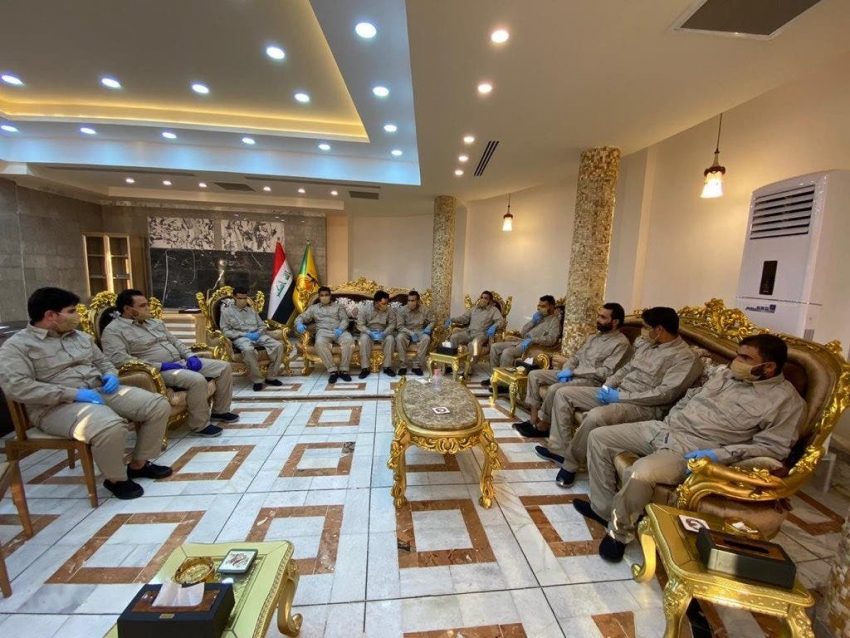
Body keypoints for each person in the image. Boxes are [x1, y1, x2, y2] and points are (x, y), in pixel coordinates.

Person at [574, 334, 806, 563]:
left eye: (745, 358)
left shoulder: (786, 402)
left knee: (641, 472)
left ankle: (618, 533)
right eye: (737, 355)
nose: (736, 361)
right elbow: (691, 397)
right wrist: (673, 417)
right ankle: (603, 510)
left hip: (694, 449)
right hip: (665, 428)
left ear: (769, 367)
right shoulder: (726, 375)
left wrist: (717, 455)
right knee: (599, 437)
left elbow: (773, 448)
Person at [0, 287, 173, 500]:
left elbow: (104, 362)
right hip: (55, 406)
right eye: (71, 311)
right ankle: (116, 479)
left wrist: (110, 375)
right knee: (110, 426)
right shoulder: (17, 346)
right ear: (50, 315)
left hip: (99, 390)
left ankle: (139, 465)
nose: (78, 315)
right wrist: (73, 393)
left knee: (157, 405)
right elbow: (17, 387)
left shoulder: (81, 337)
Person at [536, 306, 703, 488]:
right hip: (617, 392)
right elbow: (626, 369)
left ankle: (570, 464)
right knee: (563, 393)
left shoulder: (685, 358)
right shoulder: (648, 345)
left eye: (646, 327)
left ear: (659, 330)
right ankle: (559, 451)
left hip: (643, 406)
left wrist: (620, 397)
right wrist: (608, 386)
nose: (642, 332)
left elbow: (664, 394)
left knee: (595, 416)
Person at [101, 289, 239, 438]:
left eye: (147, 304)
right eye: (142, 306)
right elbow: (120, 360)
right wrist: (162, 366)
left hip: (180, 362)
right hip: (156, 370)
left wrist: (190, 356)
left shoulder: (154, 322)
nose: (148, 308)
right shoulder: (114, 330)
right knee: (196, 380)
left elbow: (175, 342)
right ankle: (200, 425)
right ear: (127, 309)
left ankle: (220, 411)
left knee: (224, 367)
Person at [514, 303, 631, 437]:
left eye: (603, 317)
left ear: (615, 322)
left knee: (554, 389)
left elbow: (606, 372)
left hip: (592, 380)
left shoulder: (621, 343)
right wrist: (568, 368)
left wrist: (574, 372)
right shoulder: (594, 337)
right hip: (573, 372)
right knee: (534, 374)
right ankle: (533, 420)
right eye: (598, 316)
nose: (598, 319)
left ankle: (543, 426)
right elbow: (576, 357)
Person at [483, 295, 562, 387]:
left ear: (551, 307)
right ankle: (494, 377)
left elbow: (551, 339)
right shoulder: (539, 318)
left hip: (533, 346)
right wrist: (533, 321)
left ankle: (504, 384)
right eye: (539, 306)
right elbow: (523, 332)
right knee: (495, 346)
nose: (539, 308)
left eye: (543, 306)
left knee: (507, 352)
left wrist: (533, 340)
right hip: (522, 341)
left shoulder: (554, 321)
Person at [219, 285, 285, 391]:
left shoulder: (251, 311)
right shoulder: (226, 312)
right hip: (241, 337)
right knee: (248, 350)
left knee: (278, 346)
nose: (243, 301)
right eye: (240, 298)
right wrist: (244, 335)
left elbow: (262, 325)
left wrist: (259, 333)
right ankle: (258, 380)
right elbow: (226, 331)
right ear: (234, 297)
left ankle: (271, 377)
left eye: (245, 298)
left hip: (258, 335)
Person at [294, 286, 354, 383]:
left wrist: (341, 329)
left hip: (338, 330)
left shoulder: (338, 306)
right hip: (323, 331)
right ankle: (333, 371)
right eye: (322, 295)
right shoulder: (314, 308)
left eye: (326, 295)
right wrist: (299, 324)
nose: (324, 297)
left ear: (330, 296)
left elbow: (345, 320)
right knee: (319, 344)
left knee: (349, 340)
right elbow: (301, 317)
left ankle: (344, 370)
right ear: (319, 297)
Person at [445, 290, 505, 368]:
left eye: (485, 298)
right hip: (469, 332)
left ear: (490, 301)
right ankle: (453, 364)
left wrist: (494, 327)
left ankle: (469, 368)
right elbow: (464, 318)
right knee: (454, 337)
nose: (483, 299)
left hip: (481, 334)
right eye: (481, 297)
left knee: (473, 344)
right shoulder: (474, 308)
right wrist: (452, 319)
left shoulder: (493, 310)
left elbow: (501, 321)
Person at [356, 290, 396, 378]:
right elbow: (360, 324)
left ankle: (387, 367)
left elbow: (392, 324)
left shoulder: (389, 310)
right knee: (363, 339)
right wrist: (369, 332)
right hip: (368, 332)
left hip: (383, 332)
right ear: (376, 302)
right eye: (383, 303)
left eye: (387, 303)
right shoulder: (365, 309)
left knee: (390, 339)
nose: (386, 305)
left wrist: (384, 333)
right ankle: (365, 368)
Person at [395, 290, 435, 376]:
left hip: (419, 330)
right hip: (406, 330)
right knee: (399, 338)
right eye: (409, 300)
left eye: (413, 300)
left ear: (418, 301)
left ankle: (416, 366)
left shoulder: (424, 309)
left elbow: (433, 321)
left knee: (426, 338)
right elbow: (400, 326)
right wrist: (411, 333)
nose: (410, 303)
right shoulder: (402, 310)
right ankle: (403, 366)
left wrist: (428, 328)